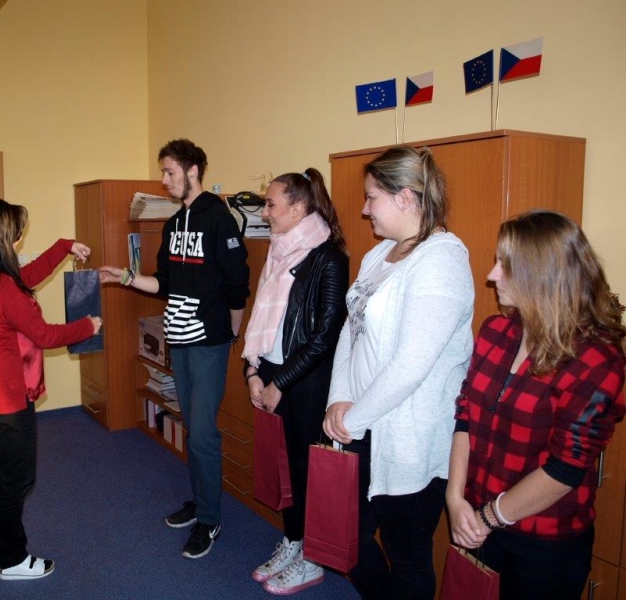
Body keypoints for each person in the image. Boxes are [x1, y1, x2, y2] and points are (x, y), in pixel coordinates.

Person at [446, 210, 626, 599]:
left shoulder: (596, 360)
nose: (492, 275)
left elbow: (564, 469)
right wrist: (455, 497)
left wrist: (487, 517)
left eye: (505, 265)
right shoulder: (496, 331)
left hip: (542, 542)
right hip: (475, 519)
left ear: (542, 275)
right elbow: (466, 416)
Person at [323, 145, 475, 599]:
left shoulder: (442, 260)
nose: (365, 209)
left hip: (407, 439)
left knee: (406, 555)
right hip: (360, 425)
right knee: (345, 537)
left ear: (405, 198)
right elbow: (350, 330)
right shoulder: (379, 255)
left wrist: (353, 418)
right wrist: (338, 398)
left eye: (372, 197)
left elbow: (412, 364)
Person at [100, 139, 250, 559]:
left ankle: (210, 518)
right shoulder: (172, 225)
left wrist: (230, 333)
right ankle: (200, 502)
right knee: (191, 425)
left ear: (192, 170)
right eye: (163, 173)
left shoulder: (219, 219)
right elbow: (162, 283)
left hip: (208, 342)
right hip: (179, 339)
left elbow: (238, 284)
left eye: (169, 172)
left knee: (202, 433)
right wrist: (125, 277)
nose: (164, 180)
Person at [0, 198, 102, 581]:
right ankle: (13, 559)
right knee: (16, 481)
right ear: (3, 239)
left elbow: (28, 276)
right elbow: (45, 335)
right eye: (17, 236)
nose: (20, 241)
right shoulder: (2, 287)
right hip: (7, 399)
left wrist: (64, 247)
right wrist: (88, 326)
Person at [242, 168, 348, 595]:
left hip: (304, 382)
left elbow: (325, 336)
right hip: (270, 374)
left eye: (270, 204)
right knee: (283, 464)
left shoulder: (329, 258)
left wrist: (280, 383)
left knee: (307, 471)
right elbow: (261, 315)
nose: (264, 213)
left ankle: (313, 559)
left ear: (299, 208)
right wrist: (253, 371)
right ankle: (292, 541)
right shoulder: (278, 250)